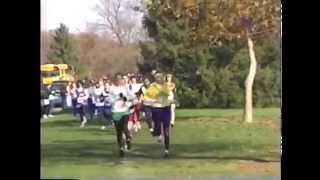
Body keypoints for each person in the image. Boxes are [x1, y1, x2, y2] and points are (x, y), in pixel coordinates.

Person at [144, 72, 174, 158]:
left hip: (166, 109)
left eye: (161, 77)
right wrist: (152, 101)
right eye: (158, 77)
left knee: (166, 130)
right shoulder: (152, 87)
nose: (160, 79)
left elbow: (170, 95)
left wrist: (171, 100)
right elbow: (146, 99)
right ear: (155, 78)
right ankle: (157, 133)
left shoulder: (166, 86)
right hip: (156, 109)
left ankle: (166, 150)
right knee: (157, 127)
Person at [109, 74, 133, 157]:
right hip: (116, 111)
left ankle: (128, 138)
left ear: (122, 80)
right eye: (117, 79)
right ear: (115, 80)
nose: (119, 80)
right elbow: (109, 100)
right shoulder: (112, 89)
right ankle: (121, 148)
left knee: (124, 126)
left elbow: (132, 97)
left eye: (120, 79)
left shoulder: (125, 88)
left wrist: (127, 101)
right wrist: (117, 98)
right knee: (119, 131)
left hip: (124, 111)